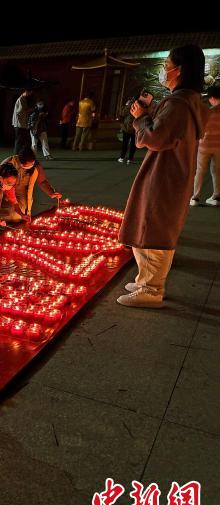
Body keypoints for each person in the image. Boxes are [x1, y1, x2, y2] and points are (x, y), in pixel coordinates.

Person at [118, 45, 208, 308]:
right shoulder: (190, 101)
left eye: (167, 65)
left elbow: (154, 137)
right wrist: (149, 113)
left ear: (179, 70)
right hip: (171, 173)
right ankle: (145, 279)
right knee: (150, 224)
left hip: (164, 175)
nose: (164, 71)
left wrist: (141, 116)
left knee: (153, 227)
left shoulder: (179, 103)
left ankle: (151, 288)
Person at [0, 148, 62, 221]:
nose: (30, 166)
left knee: (22, 214)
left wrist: (51, 192)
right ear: (20, 162)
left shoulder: (36, 166)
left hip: (24, 195)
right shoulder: (10, 162)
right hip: (7, 193)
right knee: (11, 215)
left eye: (32, 164)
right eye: (26, 165)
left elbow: (42, 181)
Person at [190, 85, 220, 206]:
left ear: (212, 98)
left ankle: (195, 198)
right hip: (219, 147)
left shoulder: (208, 112)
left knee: (200, 171)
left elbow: (199, 129)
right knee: (217, 171)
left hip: (204, 146)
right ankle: (217, 196)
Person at [118, 96, 140, 165]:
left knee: (125, 142)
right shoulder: (140, 105)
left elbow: (122, 114)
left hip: (127, 127)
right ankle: (130, 159)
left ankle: (122, 157)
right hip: (135, 127)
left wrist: (122, 125)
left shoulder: (129, 105)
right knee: (133, 144)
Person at [12, 89, 35, 154]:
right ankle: (16, 155)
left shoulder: (23, 99)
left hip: (21, 123)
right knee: (19, 140)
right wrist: (30, 110)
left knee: (20, 140)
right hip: (19, 124)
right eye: (30, 92)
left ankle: (18, 154)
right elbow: (20, 111)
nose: (30, 94)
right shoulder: (21, 99)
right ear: (26, 91)